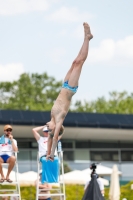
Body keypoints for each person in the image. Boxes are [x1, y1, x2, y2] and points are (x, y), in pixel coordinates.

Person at [45, 22, 93, 161]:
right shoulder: (59, 120)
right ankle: (87, 38)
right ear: (55, 129)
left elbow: (48, 138)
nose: (46, 127)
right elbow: (54, 139)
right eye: (49, 129)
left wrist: (47, 153)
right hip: (71, 88)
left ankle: (86, 38)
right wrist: (52, 154)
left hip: (64, 85)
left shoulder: (52, 117)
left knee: (74, 61)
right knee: (79, 62)